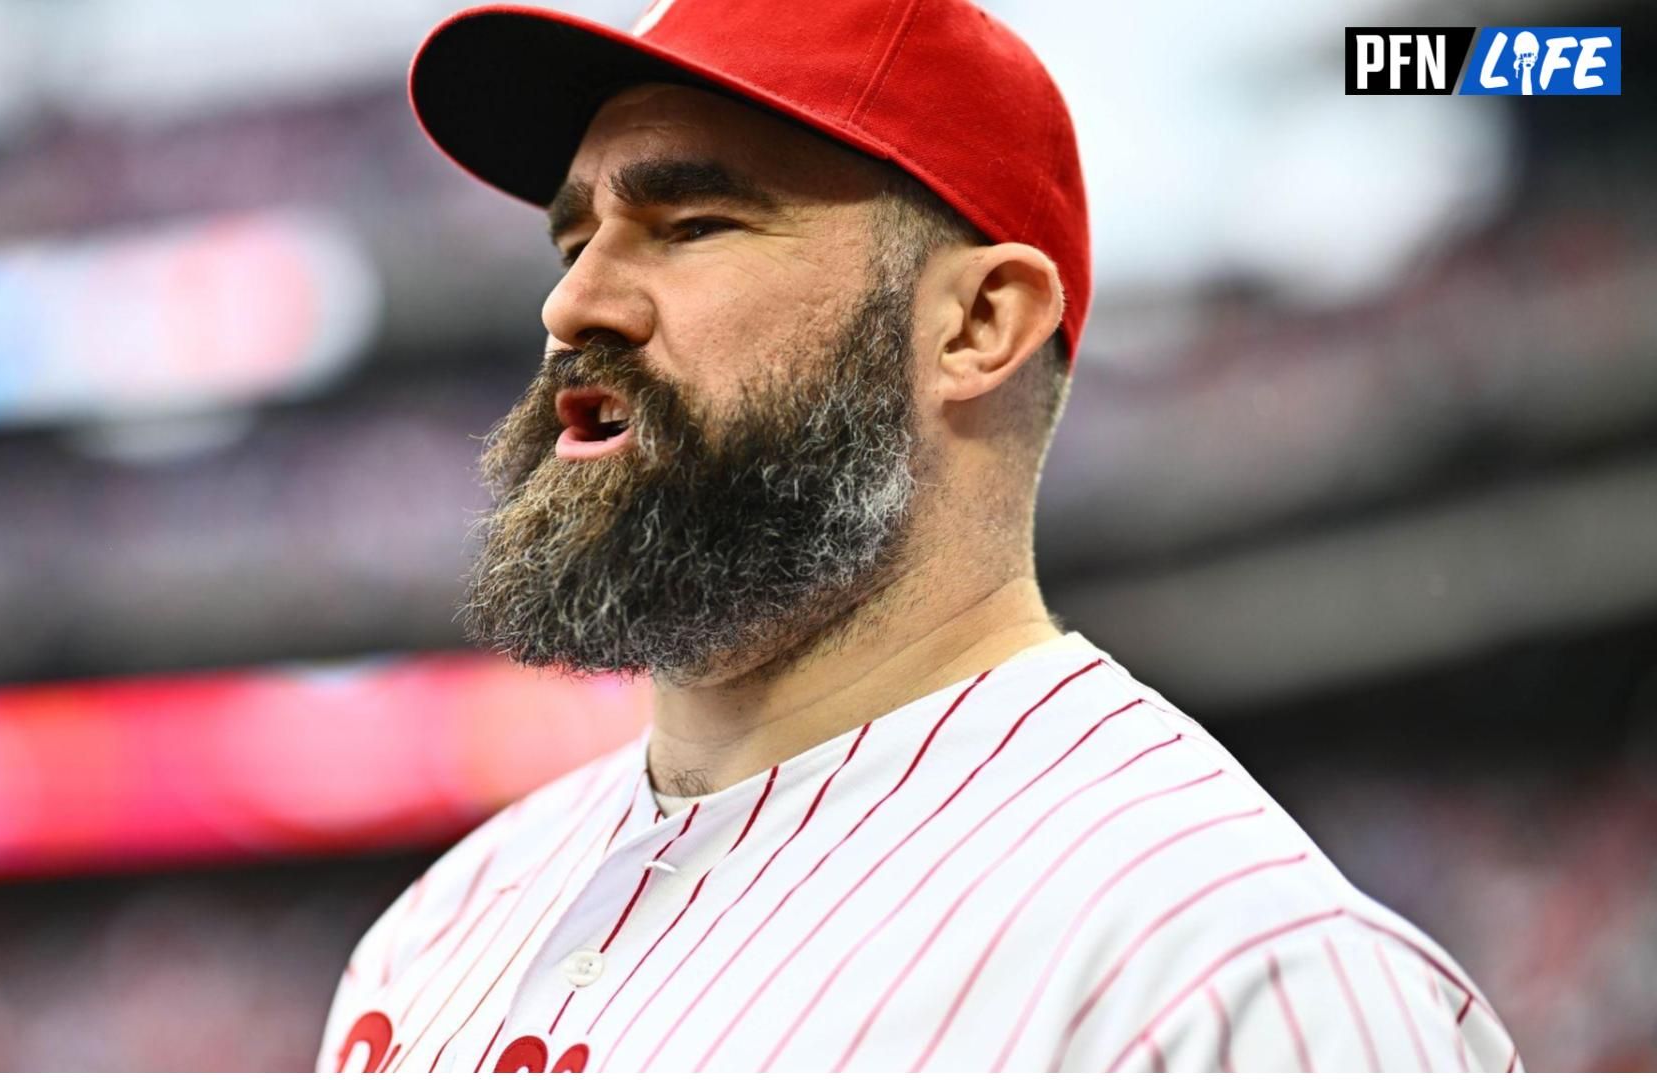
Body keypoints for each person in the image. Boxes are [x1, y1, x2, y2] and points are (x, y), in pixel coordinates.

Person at [319, 0, 1520, 1070]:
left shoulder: (1223, 980)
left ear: (978, 326)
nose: (571, 302)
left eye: (692, 224)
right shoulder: (436, 929)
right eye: (575, 239)